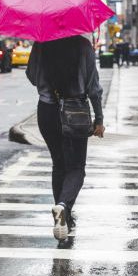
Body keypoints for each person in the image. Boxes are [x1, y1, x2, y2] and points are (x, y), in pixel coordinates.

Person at [27, 35, 105, 241]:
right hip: (75, 110)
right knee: (76, 168)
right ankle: (63, 207)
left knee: (58, 164)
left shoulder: (41, 43)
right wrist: (99, 118)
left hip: (47, 110)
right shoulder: (83, 45)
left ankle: (63, 216)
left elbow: (32, 76)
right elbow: (93, 87)